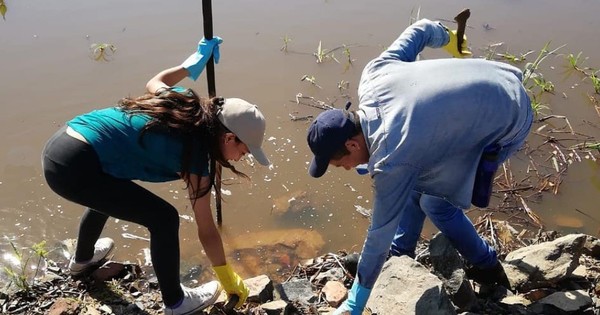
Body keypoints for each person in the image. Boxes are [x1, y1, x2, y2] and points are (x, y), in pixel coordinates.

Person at [306, 18, 533, 314]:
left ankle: (488, 267)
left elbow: (378, 235)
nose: (347, 169)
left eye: (341, 164)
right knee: (416, 180)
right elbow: (422, 28)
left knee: (436, 205)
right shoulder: (373, 76)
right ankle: (402, 254)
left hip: (510, 118)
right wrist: (451, 40)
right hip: (503, 77)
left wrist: (355, 302)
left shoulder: (392, 158)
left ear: (351, 144)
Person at [42, 36, 271, 315]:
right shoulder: (197, 156)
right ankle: (176, 302)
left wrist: (191, 65)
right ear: (229, 137)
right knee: (164, 218)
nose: (241, 158)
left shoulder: (186, 103)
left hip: (63, 144)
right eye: (244, 151)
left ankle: (83, 261)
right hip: (74, 167)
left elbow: (156, 81)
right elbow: (206, 229)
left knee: (109, 187)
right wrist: (225, 275)